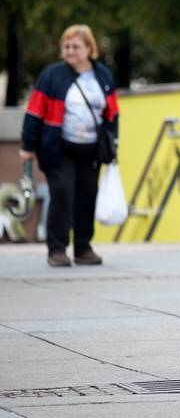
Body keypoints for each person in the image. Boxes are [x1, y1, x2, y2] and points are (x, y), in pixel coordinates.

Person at [20, 25, 119, 267]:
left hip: (92, 149)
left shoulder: (102, 74)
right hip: (58, 147)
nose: (70, 51)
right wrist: (27, 146)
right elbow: (34, 111)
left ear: (89, 48)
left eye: (76, 46)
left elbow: (113, 113)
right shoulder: (52, 75)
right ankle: (57, 250)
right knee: (62, 194)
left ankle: (83, 248)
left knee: (87, 196)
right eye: (66, 46)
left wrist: (113, 143)